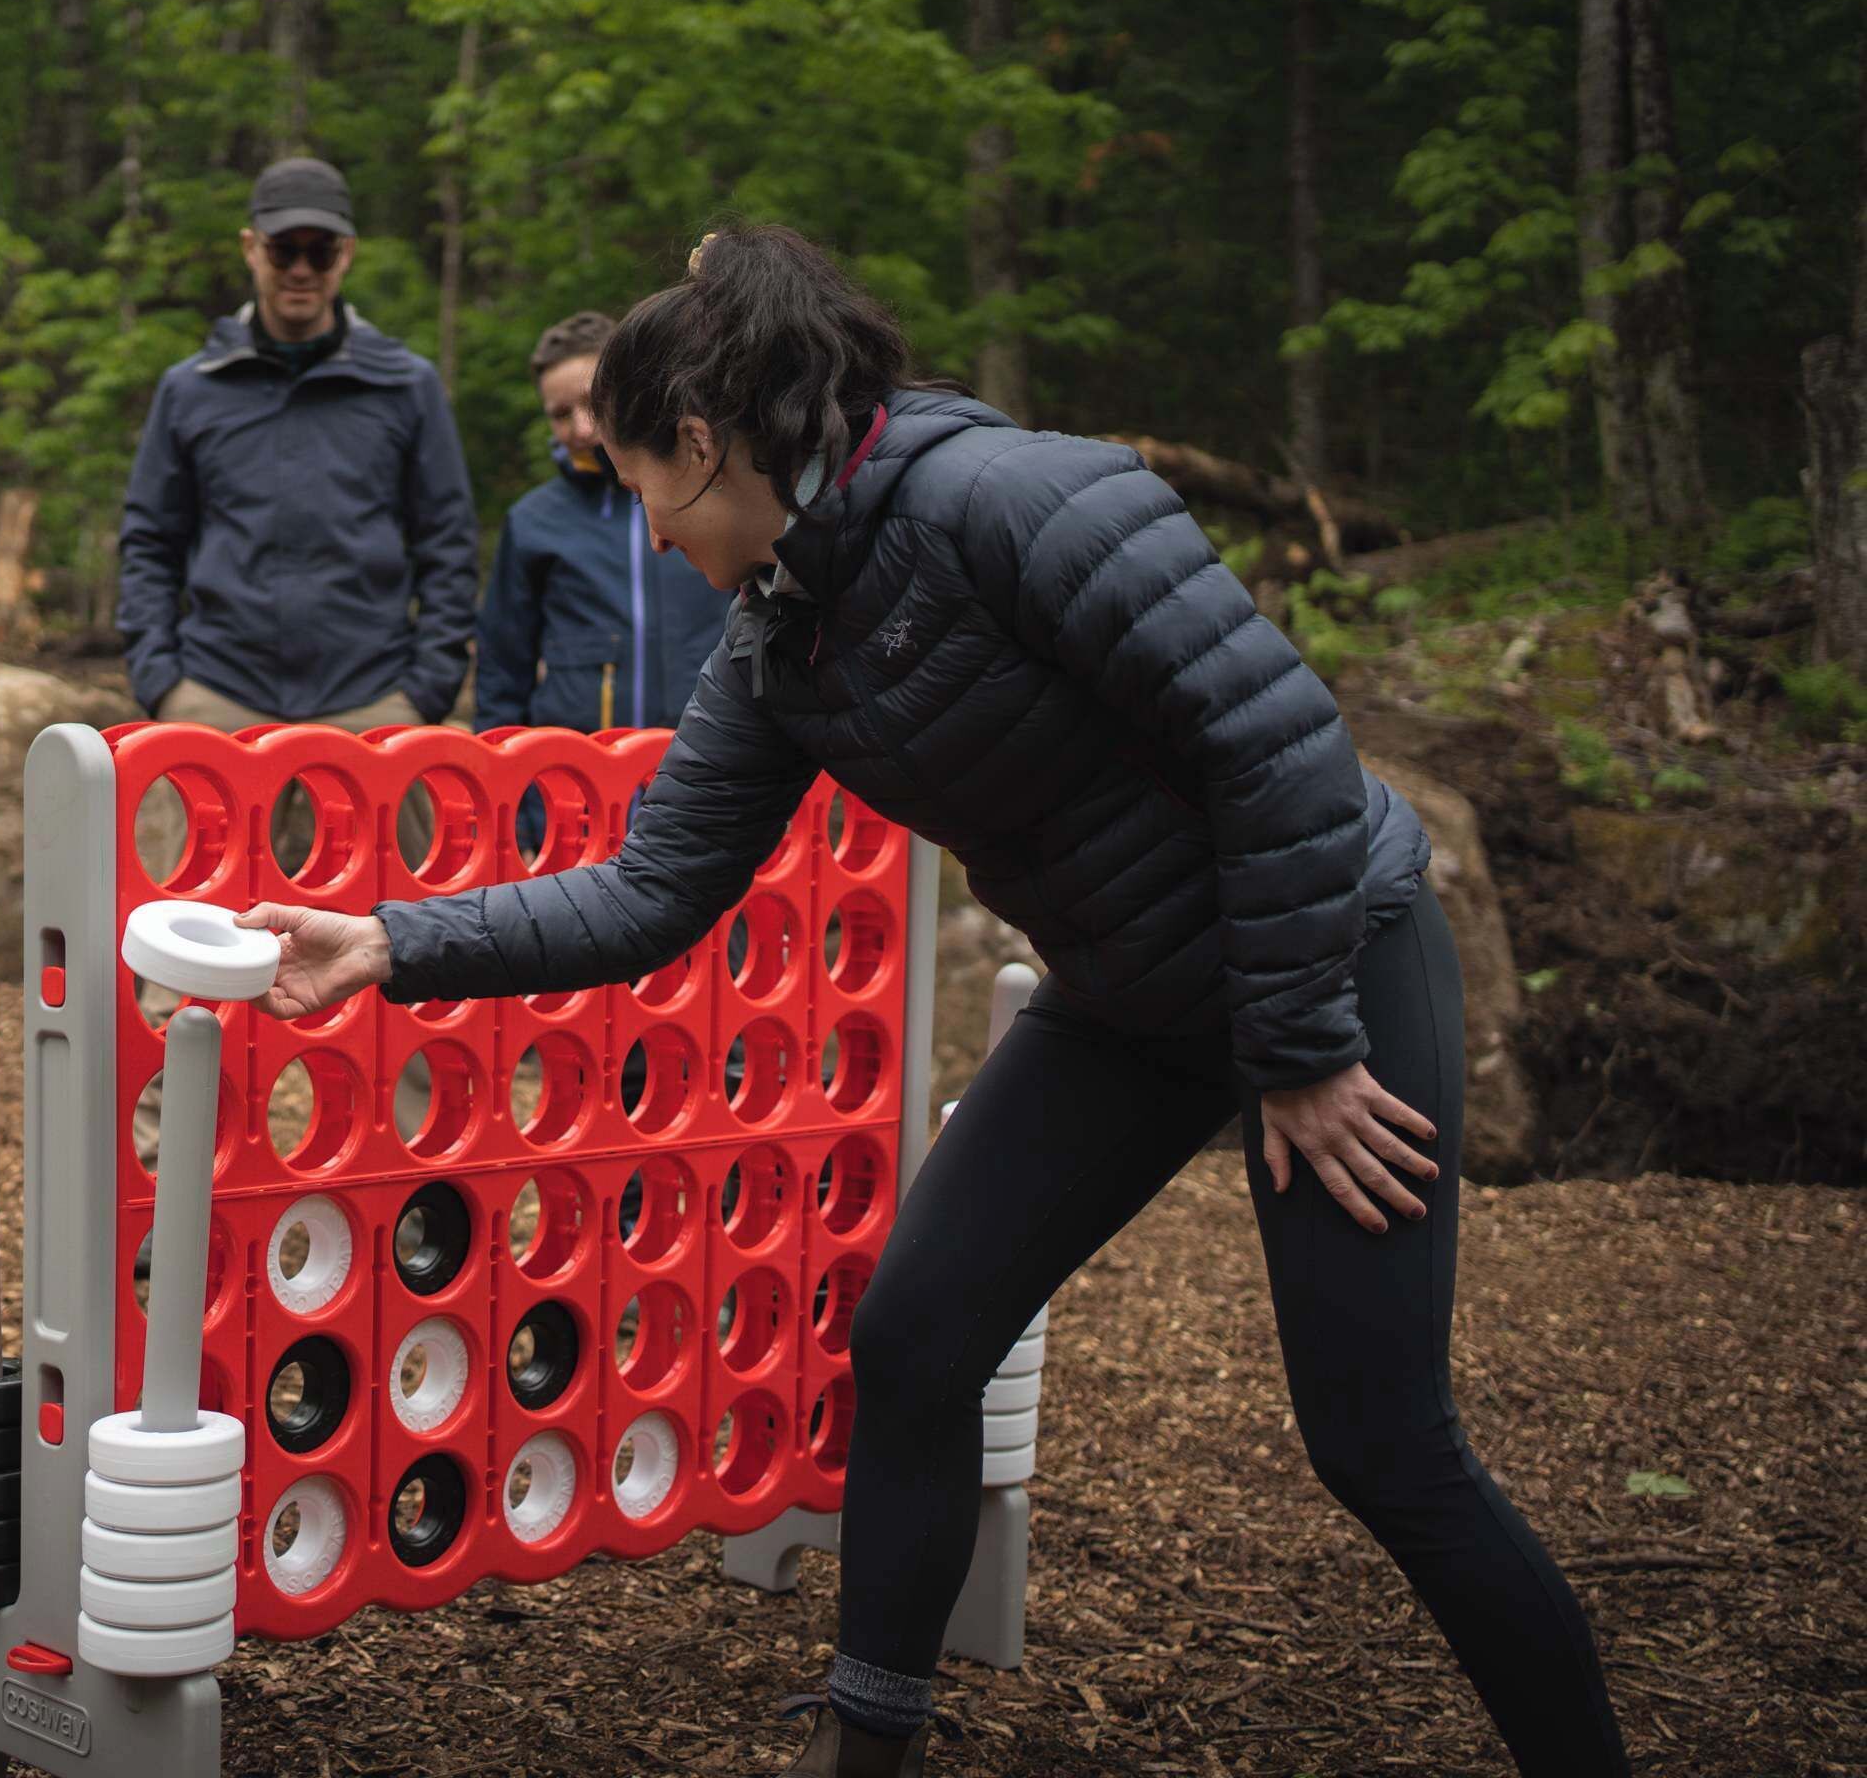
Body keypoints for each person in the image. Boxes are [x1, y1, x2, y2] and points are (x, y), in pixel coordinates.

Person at [236, 228, 1631, 1777]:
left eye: (637, 488)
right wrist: (387, 941)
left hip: (1328, 958)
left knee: (1382, 1447)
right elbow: (650, 894)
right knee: (913, 1339)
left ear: (703, 447)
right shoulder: (782, 632)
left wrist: (1299, 1050)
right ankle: (874, 1741)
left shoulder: (1015, 498)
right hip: (1128, 1001)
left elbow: (1285, 754)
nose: (641, 536)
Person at [117, 155, 477, 749]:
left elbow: (448, 544)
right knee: (212, 849)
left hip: (375, 704)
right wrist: (162, 684)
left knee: (383, 849)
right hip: (219, 700)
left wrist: (426, 692)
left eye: (322, 252)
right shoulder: (191, 388)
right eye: (284, 250)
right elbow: (150, 540)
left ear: (348, 254)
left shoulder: (406, 386)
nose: (301, 270)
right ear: (250, 248)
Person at [476, 311, 730, 737]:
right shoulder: (533, 522)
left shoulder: (709, 495)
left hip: (710, 770)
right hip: (574, 784)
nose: (582, 428)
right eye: (560, 414)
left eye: (593, 402)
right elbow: (502, 672)